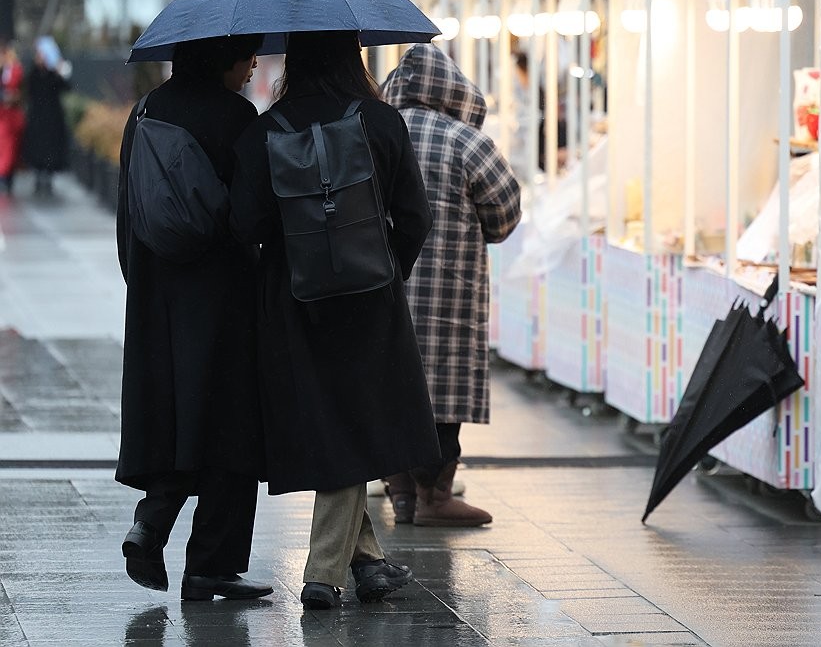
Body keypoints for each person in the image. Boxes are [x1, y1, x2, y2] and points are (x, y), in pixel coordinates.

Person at [228, 30, 441, 610]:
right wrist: (383, 270)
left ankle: (368, 563)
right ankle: (324, 573)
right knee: (353, 423)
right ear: (354, 58)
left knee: (330, 420)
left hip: (294, 302)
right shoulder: (381, 122)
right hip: (369, 300)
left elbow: (245, 227)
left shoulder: (264, 131)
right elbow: (415, 218)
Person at [115, 34, 272, 602]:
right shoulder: (236, 116)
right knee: (229, 426)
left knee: (176, 420)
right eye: (245, 54)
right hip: (222, 294)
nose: (253, 63)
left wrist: (141, 277)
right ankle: (210, 563)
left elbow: (128, 205)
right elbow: (249, 214)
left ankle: (150, 523)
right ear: (220, 59)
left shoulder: (146, 110)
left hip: (158, 291)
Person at [380, 45, 521, 527]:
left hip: (382, 288)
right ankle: (433, 496)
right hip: (449, 295)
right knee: (441, 391)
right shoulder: (466, 142)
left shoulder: (373, 132)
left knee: (388, 384)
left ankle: (397, 486)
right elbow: (505, 216)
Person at [22, 37, 70, 196]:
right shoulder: (34, 74)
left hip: (52, 118)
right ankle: (38, 174)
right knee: (37, 148)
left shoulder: (53, 75)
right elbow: (28, 89)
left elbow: (66, 87)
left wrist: (59, 71)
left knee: (50, 149)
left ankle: (48, 177)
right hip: (37, 118)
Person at [0, 43, 25, 195]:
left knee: (10, 147)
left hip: (11, 116)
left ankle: (6, 177)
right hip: (3, 114)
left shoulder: (15, 70)